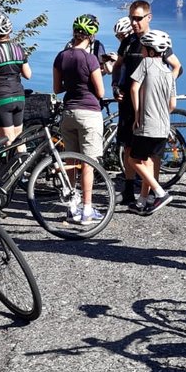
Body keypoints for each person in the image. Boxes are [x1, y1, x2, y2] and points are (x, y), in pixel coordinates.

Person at [112, 0, 181, 205]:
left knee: (152, 150)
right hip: (127, 102)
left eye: (138, 18)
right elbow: (118, 66)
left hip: (149, 106)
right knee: (128, 145)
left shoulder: (156, 41)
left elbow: (176, 66)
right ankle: (128, 188)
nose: (133, 22)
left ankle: (152, 190)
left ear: (148, 17)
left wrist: (163, 89)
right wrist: (115, 85)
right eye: (131, 18)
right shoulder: (128, 41)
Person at [52, 13, 106, 225]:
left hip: (68, 113)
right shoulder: (90, 59)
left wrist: (72, 85)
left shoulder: (61, 56)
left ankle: (72, 208)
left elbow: (57, 88)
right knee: (88, 163)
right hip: (89, 113)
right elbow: (100, 92)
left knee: (71, 162)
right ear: (91, 36)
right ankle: (87, 210)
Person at [128, 29, 177, 214]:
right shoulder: (168, 71)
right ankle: (141, 201)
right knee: (148, 160)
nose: (141, 51)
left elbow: (134, 88)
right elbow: (172, 104)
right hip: (163, 126)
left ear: (149, 50)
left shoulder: (146, 63)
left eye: (143, 48)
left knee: (134, 159)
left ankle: (159, 192)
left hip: (146, 123)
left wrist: (138, 114)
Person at [0, 13, 31, 146]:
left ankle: (12, 166)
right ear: (10, 31)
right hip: (19, 97)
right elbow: (28, 74)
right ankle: (23, 165)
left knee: (8, 142)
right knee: (19, 140)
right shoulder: (19, 49)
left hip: (2, 99)